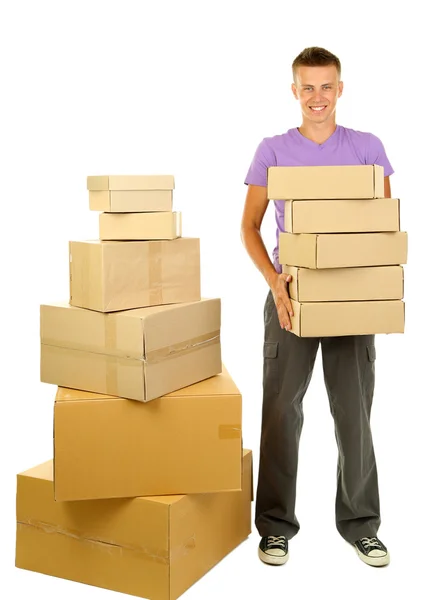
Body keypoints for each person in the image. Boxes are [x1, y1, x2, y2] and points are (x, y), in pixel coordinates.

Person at [241, 46, 393, 568]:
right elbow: (249, 226)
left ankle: (361, 525)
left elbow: (383, 229)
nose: (317, 97)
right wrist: (275, 284)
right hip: (292, 297)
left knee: (354, 414)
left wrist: (375, 292)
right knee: (281, 413)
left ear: (340, 89)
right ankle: (276, 527)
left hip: (350, 298)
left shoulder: (367, 149)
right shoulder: (273, 150)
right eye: (307, 87)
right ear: (294, 91)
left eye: (326, 86)